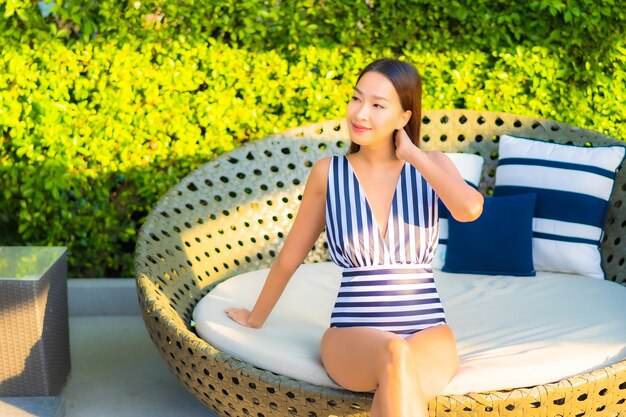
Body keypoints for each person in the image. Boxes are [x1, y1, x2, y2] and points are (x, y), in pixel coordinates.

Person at [225, 58, 484, 417]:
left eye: (378, 105)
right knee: (395, 353)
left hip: (429, 334)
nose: (360, 113)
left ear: (404, 117)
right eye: (356, 99)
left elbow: (469, 209)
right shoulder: (329, 174)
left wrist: (413, 155)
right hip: (352, 337)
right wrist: (256, 317)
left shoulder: (432, 164)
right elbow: (290, 257)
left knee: (400, 368)